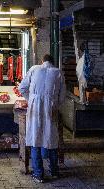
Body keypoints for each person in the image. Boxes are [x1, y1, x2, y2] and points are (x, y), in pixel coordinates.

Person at [18, 54, 66, 183]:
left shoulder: (34, 69)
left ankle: (39, 174)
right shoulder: (58, 73)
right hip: (50, 109)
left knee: (35, 140)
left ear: (42, 61)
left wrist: (32, 99)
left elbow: (22, 88)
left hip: (35, 109)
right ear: (53, 62)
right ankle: (54, 172)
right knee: (51, 139)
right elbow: (62, 97)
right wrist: (53, 104)